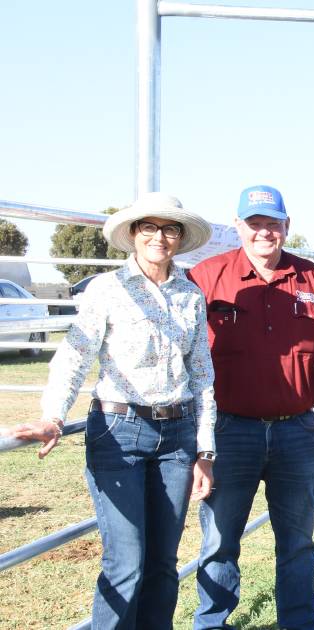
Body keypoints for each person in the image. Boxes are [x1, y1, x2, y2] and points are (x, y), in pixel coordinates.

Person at [7, 193, 216, 629]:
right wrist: (54, 416)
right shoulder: (107, 290)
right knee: (126, 562)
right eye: (149, 227)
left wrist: (205, 450)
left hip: (177, 437)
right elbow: (74, 356)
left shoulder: (191, 296)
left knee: (163, 563)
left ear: (179, 238)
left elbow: (202, 376)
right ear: (133, 235)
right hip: (120, 431)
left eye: (170, 228)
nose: (160, 237)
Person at [187, 184, 314, 630]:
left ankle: (299, 624)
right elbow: (182, 350)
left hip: (296, 432)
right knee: (220, 540)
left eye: (273, 223)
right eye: (254, 223)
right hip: (229, 430)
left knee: (298, 541)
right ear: (237, 226)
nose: (264, 232)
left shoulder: (313, 279)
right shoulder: (206, 277)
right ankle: (211, 624)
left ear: (287, 227)